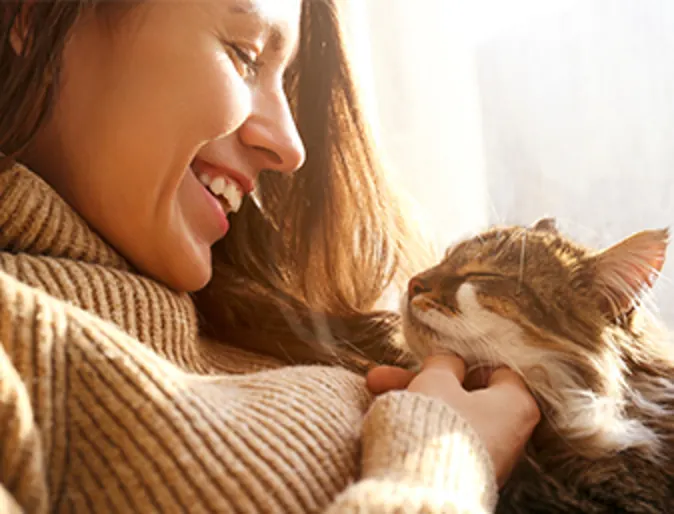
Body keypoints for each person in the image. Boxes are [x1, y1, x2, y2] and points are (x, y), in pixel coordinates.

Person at [0, 0, 540, 512]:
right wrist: (442, 462)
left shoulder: (272, 320)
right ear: (32, 12)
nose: (290, 146)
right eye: (244, 54)